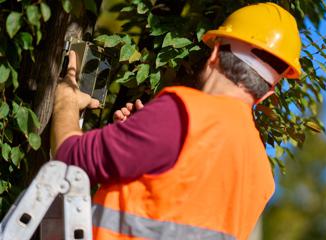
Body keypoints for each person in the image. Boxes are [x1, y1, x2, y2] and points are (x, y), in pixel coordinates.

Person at [51, 2, 301, 240]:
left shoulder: (184, 113)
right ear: (267, 93)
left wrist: (66, 102)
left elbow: (73, 159)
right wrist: (142, 135)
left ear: (214, 53)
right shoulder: (261, 175)